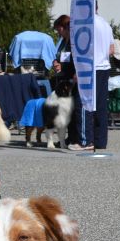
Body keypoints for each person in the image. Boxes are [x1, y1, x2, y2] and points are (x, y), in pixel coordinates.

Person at [70, 3, 114, 152]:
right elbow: (112, 50)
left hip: (89, 68)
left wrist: (79, 70)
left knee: (83, 104)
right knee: (100, 106)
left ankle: (85, 141)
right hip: (104, 67)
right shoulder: (106, 24)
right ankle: (100, 141)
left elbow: (83, 49)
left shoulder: (85, 24)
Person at [51, 14, 81, 147]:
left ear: (65, 27)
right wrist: (56, 63)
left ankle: (75, 138)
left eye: (59, 30)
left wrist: (62, 66)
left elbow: (73, 60)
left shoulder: (73, 41)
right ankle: (69, 137)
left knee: (73, 110)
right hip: (62, 77)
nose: (58, 32)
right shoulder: (63, 41)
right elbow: (59, 56)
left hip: (71, 78)